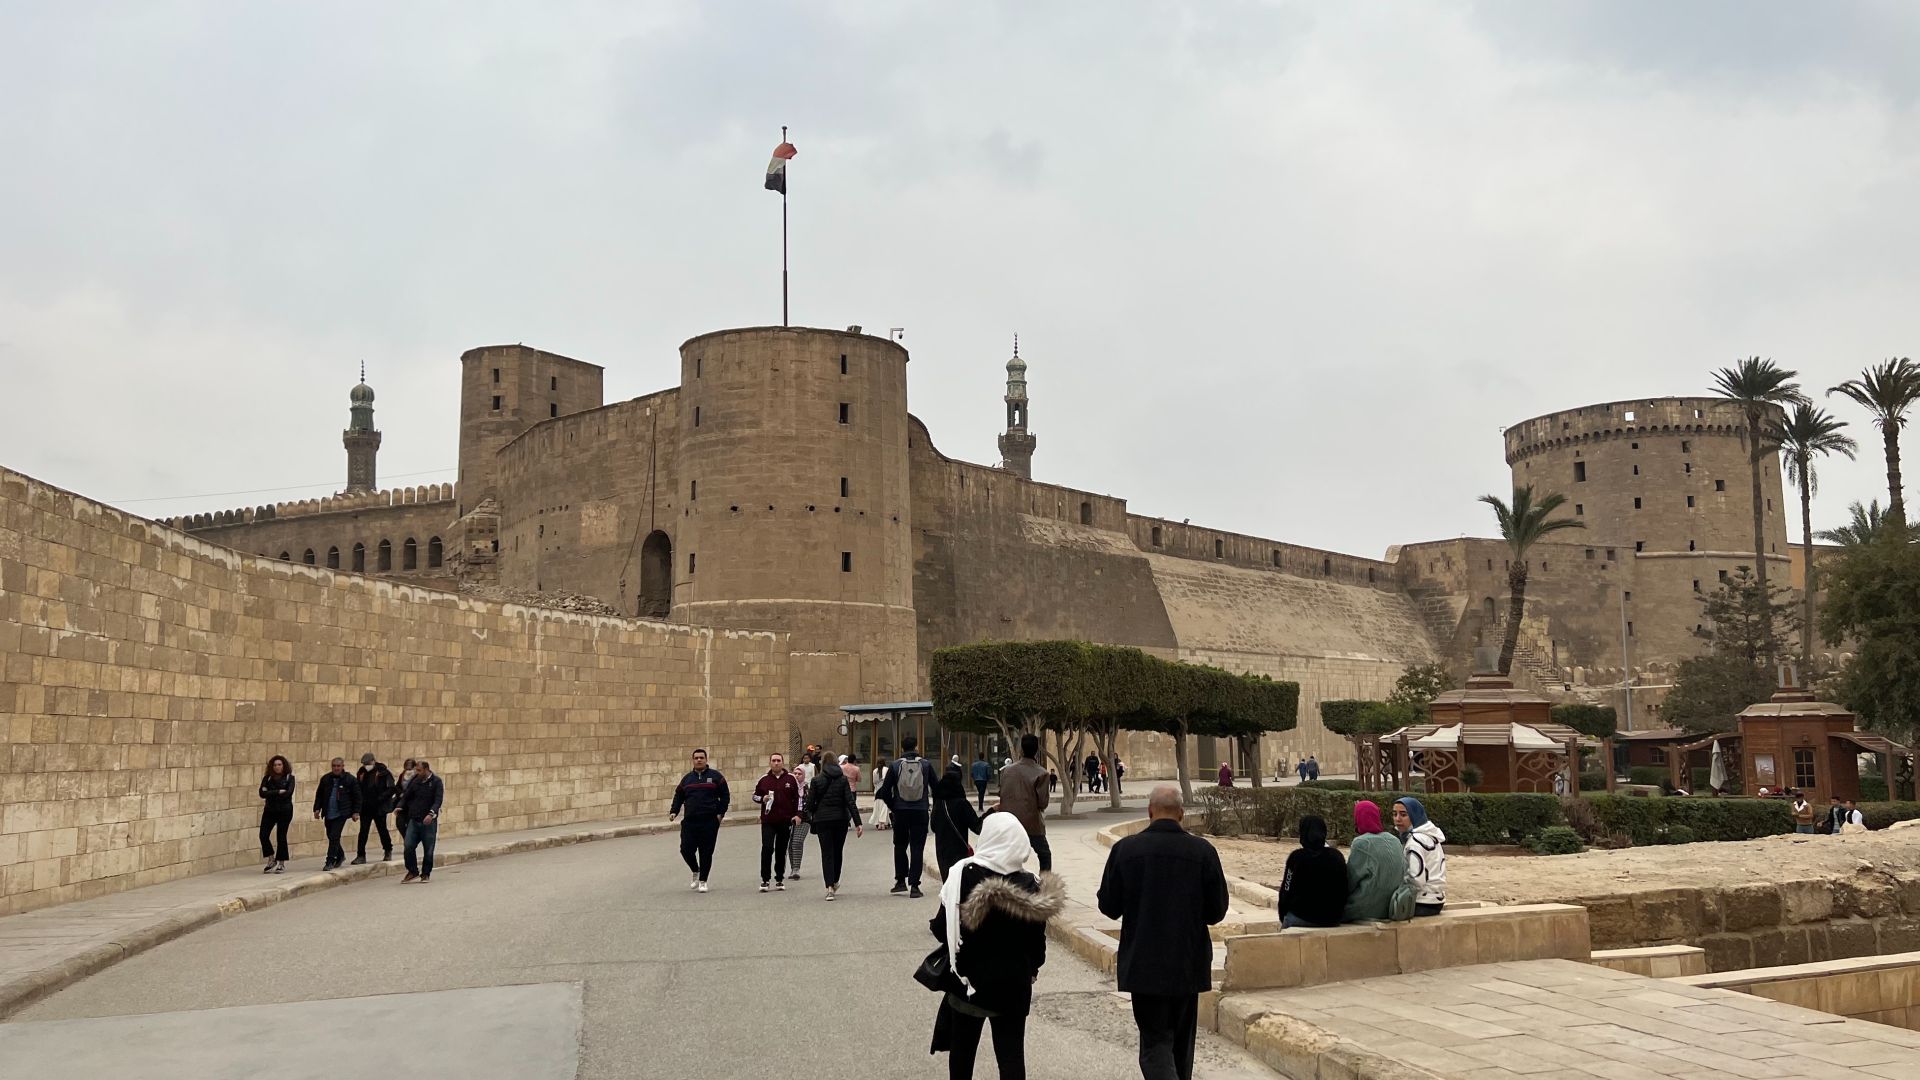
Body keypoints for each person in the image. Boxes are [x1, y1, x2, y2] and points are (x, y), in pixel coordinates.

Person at [1097, 785, 1229, 1080]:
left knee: (1155, 1043)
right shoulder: (1203, 852)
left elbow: (1108, 906)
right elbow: (1216, 911)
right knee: (1182, 1045)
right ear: (1181, 814)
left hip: (1144, 963)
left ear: (1149, 812)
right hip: (1187, 961)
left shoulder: (1126, 850)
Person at [929, 814, 1065, 1079]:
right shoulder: (1033, 886)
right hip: (1013, 986)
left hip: (968, 984)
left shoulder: (962, 875)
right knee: (1011, 1057)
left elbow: (941, 928)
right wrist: (1032, 969)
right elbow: (1037, 945)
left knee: (962, 1054)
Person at [877, 734, 932, 898]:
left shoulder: (895, 766)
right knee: (917, 847)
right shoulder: (926, 765)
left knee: (900, 845)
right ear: (916, 747)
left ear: (902, 748)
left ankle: (900, 880)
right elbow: (936, 787)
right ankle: (915, 885)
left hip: (901, 811)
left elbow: (884, 791)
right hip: (920, 811)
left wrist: (893, 806)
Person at [669, 747, 729, 893]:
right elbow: (679, 796)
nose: (699, 760)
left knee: (706, 852)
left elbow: (725, 796)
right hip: (690, 821)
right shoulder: (687, 779)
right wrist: (674, 811)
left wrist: (720, 814)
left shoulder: (716, 777)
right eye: (696, 758)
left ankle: (703, 881)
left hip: (709, 821)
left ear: (706, 759)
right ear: (693, 760)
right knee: (685, 849)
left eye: (701, 758)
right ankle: (696, 870)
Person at [805, 750, 863, 899]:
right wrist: (858, 822)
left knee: (827, 853)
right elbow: (850, 801)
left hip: (822, 820)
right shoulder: (843, 780)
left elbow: (809, 804)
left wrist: (811, 816)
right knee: (838, 851)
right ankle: (835, 880)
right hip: (840, 819)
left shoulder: (816, 780)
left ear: (823, 763)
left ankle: (829, 886)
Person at [1277, 815, 1346, 929]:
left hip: (1301, 917)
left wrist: (1283, 916)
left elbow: (1286, 890)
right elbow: (1344, 888)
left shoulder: (1296, 858)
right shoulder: (1336, 856)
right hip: (1333, 919)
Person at [1343, 800, 1408, 922]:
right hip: (1393, 907)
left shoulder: (1362, 843)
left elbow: (1351, 880)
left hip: (1367, 909)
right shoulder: (1394, 840)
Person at [997, 733, 1053, 872]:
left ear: (1021, 749)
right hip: (1031, 824)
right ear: (1037, 750)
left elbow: (1002, 794)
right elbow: (1043, 803)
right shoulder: (1042, 773)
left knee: (1007, 857)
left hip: (1008, 823)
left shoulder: (1007, 771)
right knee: (1045, 855)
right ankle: (1045, 882)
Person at [752, 752, 802, 892]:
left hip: (785, 820)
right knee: (767, 848)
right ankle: (765, 879)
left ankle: (779, 878)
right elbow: (754, 796)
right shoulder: (764, 780)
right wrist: (762, 799)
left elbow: (798, 798)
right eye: (773, 760)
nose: (776, 763)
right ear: (770, 763)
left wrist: (798, 815)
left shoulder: (791, 779)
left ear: (782, 762)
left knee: (781, 849)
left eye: (778, 760)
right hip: (768, 820)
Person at [1393, 797, 1446, 916]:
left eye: (1403, 814)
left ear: (1414, 815)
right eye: (1395, 814)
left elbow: (1416, 879)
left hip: (1422, 902)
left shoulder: (1415, 842)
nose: (1397, 819)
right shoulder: (1429, 836)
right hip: (1436, 900)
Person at [932, 764, 984, 878]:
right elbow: (977, 827)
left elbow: (933, 826)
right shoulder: (962, 804)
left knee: (947, 883)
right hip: (959, 851)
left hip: (942, 851)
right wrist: (991, 812)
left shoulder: (939, 804)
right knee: (959, 882)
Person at [311, 757, 360, 871]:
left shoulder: (350, 780)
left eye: (338, 766)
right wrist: (317, 809)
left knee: (334, 836)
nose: (336, 768)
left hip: (341, 813)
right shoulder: (326, 779)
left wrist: (356, 812)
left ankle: (330, 861)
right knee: (331, 836)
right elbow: (319, 795)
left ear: (343, 766)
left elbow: (357, 796)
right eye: (334, 766)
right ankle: (341, 855)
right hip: (328, 812)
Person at [399, 759, 443, 883]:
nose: (417, 773)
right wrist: (399, 806)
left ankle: (426, 874)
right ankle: (412, 871)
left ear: (426, 769)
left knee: (428, 849)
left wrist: (431, 813)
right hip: (414, 819)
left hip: (428, 821)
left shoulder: (436, 782)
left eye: (419, 770)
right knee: (408, 846)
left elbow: (438, 800)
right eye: (416, 770)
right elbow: (407, 795)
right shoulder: (416, 780)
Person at [353, 752, 396, 864]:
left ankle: (388, 850)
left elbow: (391, 788)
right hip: (365, 807)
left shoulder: (383, 772)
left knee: (382, 829)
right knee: (363, 831)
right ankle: (361, 855)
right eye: (364, 764)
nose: (366, 766)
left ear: (373, 761)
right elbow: (358, 788)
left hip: (379, 807)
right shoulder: (361, 772)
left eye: (367, 763)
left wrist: (380, 798)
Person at [257, 755, 295, 874]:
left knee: (281, 836)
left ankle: (281, 863)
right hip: (270, 810)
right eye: (274, 765)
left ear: (284, 766)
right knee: (263, 835)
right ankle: (271, 859)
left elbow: (288, 793)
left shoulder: (290, 778)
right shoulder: (267, 778)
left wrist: (269, 792)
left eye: (279, 764)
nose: (277, 767)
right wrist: (278, 791)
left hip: (285, 810)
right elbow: (262, 793)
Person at [789, 753, 815, 876]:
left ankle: (796, 869)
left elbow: (809, 804)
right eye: (795, 773)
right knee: (790, 844)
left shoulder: (807, 789)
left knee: (797, 842)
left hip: (804, 820)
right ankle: (793, 867)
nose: (797, 775)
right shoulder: (789, 789)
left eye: (799, 774)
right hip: (790, 819)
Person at [392, 757, 418, 844]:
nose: (408, 766)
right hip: (402, 803)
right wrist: (400, 793)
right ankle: (407, 840)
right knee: (400, 823)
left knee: (410, 824)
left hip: (411, 804)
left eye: (410, 765)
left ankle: (410, 843)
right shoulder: (402, 775)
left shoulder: (417, 776)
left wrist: (407, 794)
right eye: (407, 764)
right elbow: (397, 786)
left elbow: (415, 789)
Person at [868, 757, 893, 831]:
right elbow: (888, 780)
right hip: (885, 790)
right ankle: (883, 823)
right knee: (885, 807)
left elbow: (874, 782)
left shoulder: (875, 771)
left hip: (877, 791)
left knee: (878, 807)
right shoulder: (886, 769)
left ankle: (879, 823)